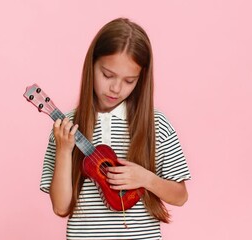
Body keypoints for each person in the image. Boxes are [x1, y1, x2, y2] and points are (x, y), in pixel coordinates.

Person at [40, 17, 191, 240]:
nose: (116, 88)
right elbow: (61, 208)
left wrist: (146, 179)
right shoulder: (67, 128)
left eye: (129, 80)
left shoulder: (156, 124)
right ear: (91, 65)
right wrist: (64, 151)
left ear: (141, 79)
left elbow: (180, 197)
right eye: (108, 75)